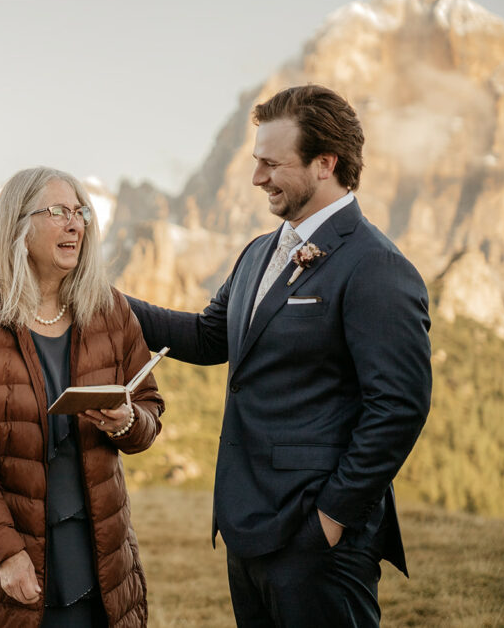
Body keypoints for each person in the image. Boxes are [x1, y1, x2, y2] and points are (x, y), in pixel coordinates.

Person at [127, 85, 431, 627]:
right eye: (255, 161)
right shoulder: (259, 252)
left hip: (317, 539)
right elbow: (206, 337)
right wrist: (99, 301)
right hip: (249, 527)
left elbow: (399, 407)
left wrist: (331, 519)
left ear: (324, 164)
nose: (256, 178)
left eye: (271, 163)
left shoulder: (375, 266)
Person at [0, 167, 164, 628]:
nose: (75, 224)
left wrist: (126, 420)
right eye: (58, 211)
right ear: (18, 225)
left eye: (80, 212)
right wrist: (6, 553)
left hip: (98, 552)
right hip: (6, 554)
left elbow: (150, 411)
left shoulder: (110, 309)